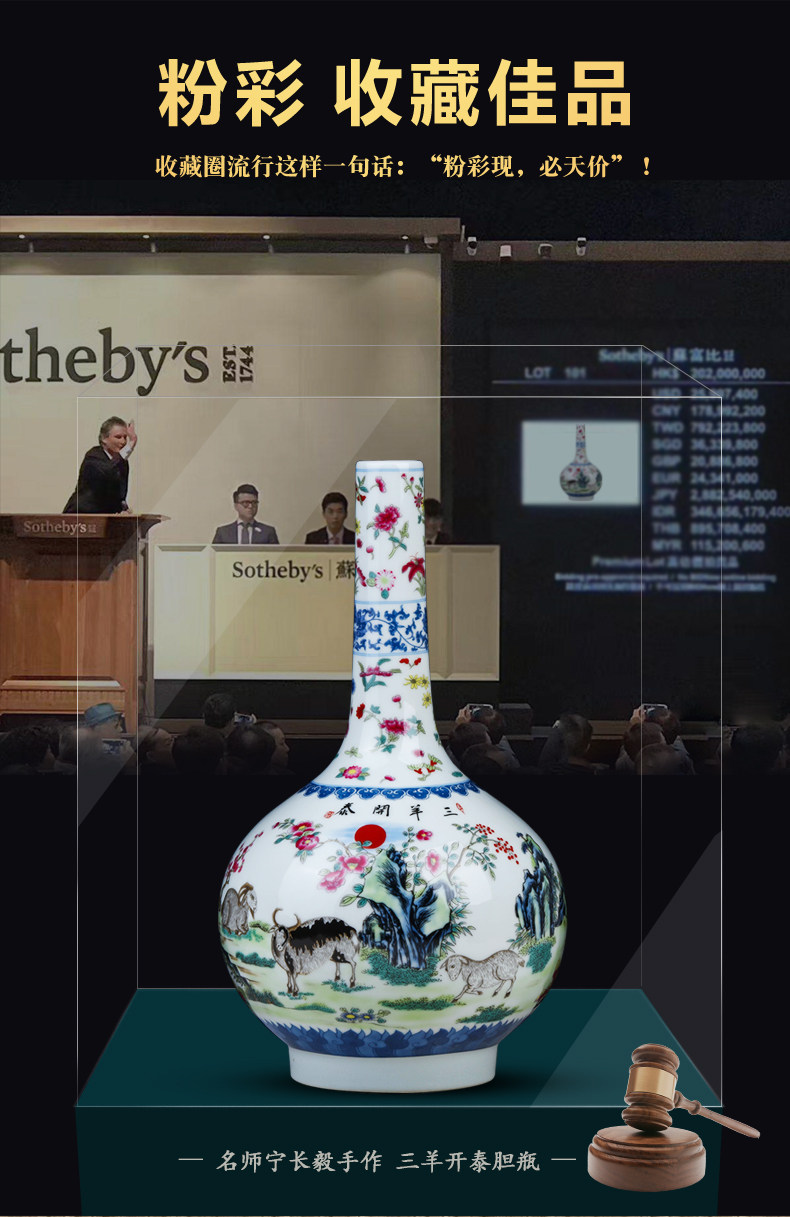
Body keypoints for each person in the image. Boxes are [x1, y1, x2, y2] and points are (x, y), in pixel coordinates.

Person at [63, 416, 137, 513]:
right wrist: (131, 445)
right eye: (118, 437)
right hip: (80, 515)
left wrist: (123, 509)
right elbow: (109, 471)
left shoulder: (122, 462)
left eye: (125, 437)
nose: (123, 442)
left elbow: (118, 493)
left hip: (104, 516)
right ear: (104, 439)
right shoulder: (93, 456)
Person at [212, 485, 279, 544]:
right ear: (236, 505)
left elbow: (276, 554)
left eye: (254, 502)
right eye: (245, 503)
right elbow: (214, 553)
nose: (250, 506)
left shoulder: (268, 532)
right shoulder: (223, 533)